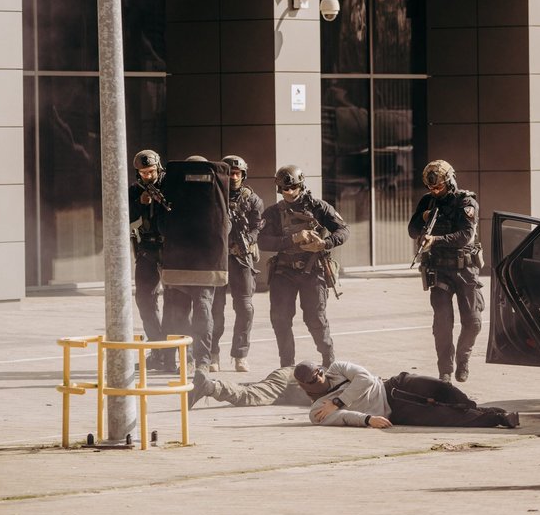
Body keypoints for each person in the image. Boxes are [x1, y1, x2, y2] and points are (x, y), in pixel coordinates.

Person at [188, 360, 520, 430]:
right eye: (315, 379)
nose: (321, 377)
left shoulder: (336, 369)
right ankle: (497, 417)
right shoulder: (313, 400)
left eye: (321, 372)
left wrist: (338, 398)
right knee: (256, 394)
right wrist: (362, 417)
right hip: (391, 407)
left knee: (444, 389)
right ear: (306, 386)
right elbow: (334, 417)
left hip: (395, 384)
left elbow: (363, 376)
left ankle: (475, 407)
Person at [258, 165, 349, 368]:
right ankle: (287, 366)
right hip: (284, 271)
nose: (288, 192)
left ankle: (329, 361)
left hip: (313, 269)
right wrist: (292, 238)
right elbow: (263, 242)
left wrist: (325, 243)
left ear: (301, 185)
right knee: (280, 320)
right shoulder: (273, 213)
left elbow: (343, 230)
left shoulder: (319, 207)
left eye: (292, 187)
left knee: (316, 319)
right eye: (284, 189)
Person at [408, 160, 484, 383]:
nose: (435, 191)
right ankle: (445, 371)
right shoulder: (428, 201)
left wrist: (436, 239)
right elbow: (412, 230)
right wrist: (423, 219)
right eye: (431, 188)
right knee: (442, 324)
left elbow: (465, 236)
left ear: (449, 181)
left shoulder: (466, 202)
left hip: (465, 269)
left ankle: (463, 360)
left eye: (439, 187)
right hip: (439, 269)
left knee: (473, 322)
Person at [158, 156, 231, 373]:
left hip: (179, 263)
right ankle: (203, 361)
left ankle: (185, 359)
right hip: (208, 264)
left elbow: (163, 226)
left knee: (179, 314)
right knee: (204, 312)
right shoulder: (217, 192)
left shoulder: (174, 189)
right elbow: (225, 228)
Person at [211, 155, 264, 373]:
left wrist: (248, 241)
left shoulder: (252, 199)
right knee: (215, 309)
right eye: (229, 173)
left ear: (243, 175)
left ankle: (240, 354)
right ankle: (213, 354)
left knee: (245, 307)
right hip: (218, 258)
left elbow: (257, 226)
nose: (233, 177)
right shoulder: (214, 196)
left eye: (237, 173)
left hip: (242, 258)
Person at [128, 149, 167, 369]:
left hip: (169, 248)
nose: (147, 176)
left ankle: (181, 351)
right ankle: (158, 348)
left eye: (151, 171)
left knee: (177, 301)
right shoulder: (135, 190)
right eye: (143, 173)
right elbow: (123, 215)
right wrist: (140, 203)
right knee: (144, 299)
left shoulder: (169, 185)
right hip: (146, 248)